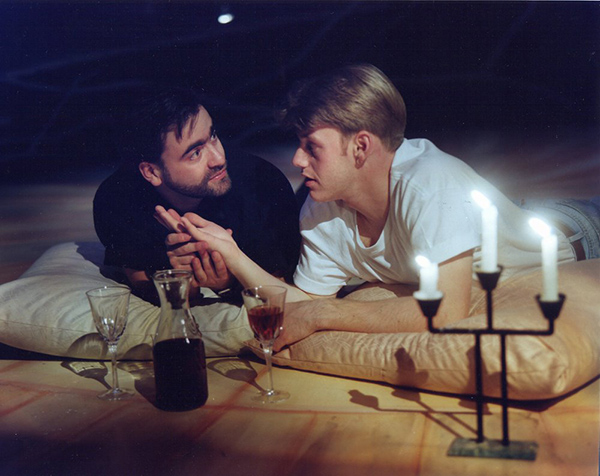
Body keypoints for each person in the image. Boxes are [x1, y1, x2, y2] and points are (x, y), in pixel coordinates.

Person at [157, 64, 598, 351]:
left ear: (361, 146)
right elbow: (303, 303)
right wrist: (231, 254)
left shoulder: (429, 182)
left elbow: (446, 312)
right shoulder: (320, 207)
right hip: (502, 216)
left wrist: (327, 313)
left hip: (576, 229)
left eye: (312, 147)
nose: (296, 160)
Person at [93, 87, 301, 305]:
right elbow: (140, 280)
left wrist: (230, 283)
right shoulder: (116, 199)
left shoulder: (263, 185)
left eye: (212, 136)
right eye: (195, 153)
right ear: (152, 172)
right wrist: (183, 282)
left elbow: (281, 289)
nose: (219, 158)